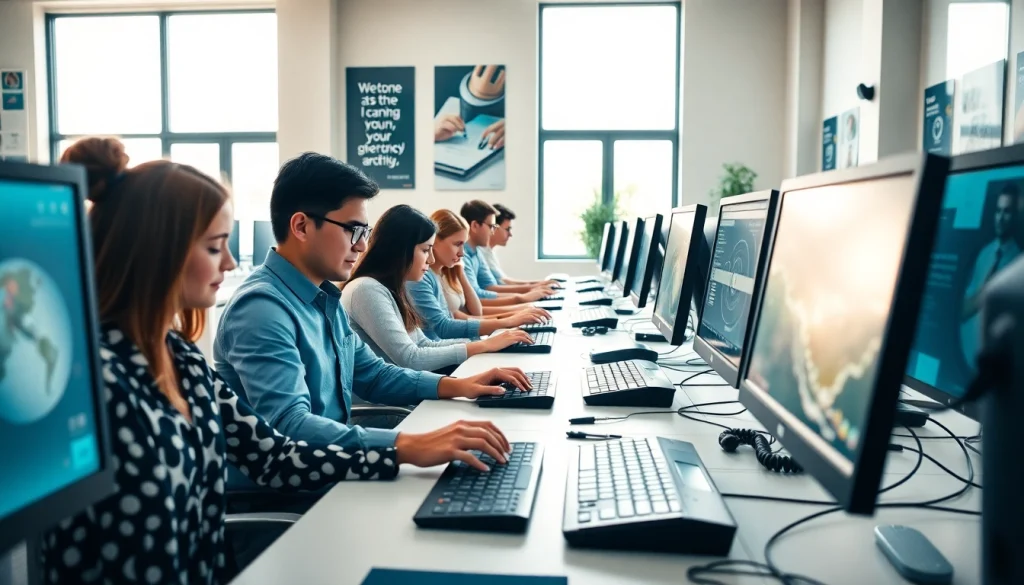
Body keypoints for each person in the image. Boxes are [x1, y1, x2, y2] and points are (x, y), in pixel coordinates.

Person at [42, 138, 511, 585]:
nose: (228, 263)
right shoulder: (96, 379)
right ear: (158, 251)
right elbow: (287, 430)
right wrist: (404, 445)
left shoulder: (179, 357)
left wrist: (419, 433)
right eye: (213, 246)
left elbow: (274, 451)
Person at [214, 153, 527, 458]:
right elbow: (290, 427)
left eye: (364, 232)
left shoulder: (323, 298)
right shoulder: (260, 308)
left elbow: (376, 376)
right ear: (301, 226)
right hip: (298, 492)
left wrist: (461, 385)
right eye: (353, 230)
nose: (362, 245)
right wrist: (408, 445)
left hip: (338, 463)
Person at [341, 204, 533, 372]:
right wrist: (484, 344)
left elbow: (424, 343)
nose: (431, 259)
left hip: (411, 391)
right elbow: (411, 358)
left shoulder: (391, 288)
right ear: (401, 249)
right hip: (391, 408)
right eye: (426, 250)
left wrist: (484, 344)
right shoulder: (366, 290)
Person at [408, 209, 549, 340]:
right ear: (435, 240)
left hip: (461, 345)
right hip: (449, 352)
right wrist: (509, 319)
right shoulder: (421, 278)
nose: (462, 253)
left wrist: (515, 315)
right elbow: (444, 327)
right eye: (457, 244)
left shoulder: (442, 273)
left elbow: (470, 312)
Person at [458, 200, 555, 302]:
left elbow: (490, 286)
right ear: (475, 226)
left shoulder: (477, 251)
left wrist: (530, 292)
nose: (492, 232)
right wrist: (522, 297)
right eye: (491, 227)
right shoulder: (462, 256)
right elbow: (477, 296)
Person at [481, 203, 558, 287]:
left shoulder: (489, 252)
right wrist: (537, 285)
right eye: (507, 229)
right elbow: (503, 283)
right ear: (494, 228)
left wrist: (539, 283)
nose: (510, 234)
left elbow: (504, 281)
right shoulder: (481, 253)